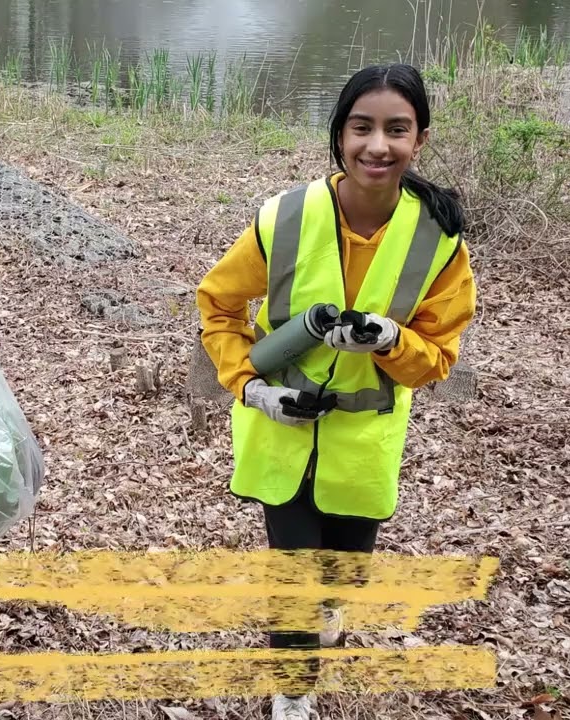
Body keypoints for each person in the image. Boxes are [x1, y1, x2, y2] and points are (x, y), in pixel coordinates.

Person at [196, 63, 476, 720]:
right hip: (282, 431)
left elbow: (436, 360)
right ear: (339, 135)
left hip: (364, 441)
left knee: (342, 577)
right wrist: (253, 388)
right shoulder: (286, 218)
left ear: (420, 140)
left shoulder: (439, 240)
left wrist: (388, 340)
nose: (378, 145)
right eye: (362, 128)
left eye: (396, 130)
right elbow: (218, 306)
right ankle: (292, 697)